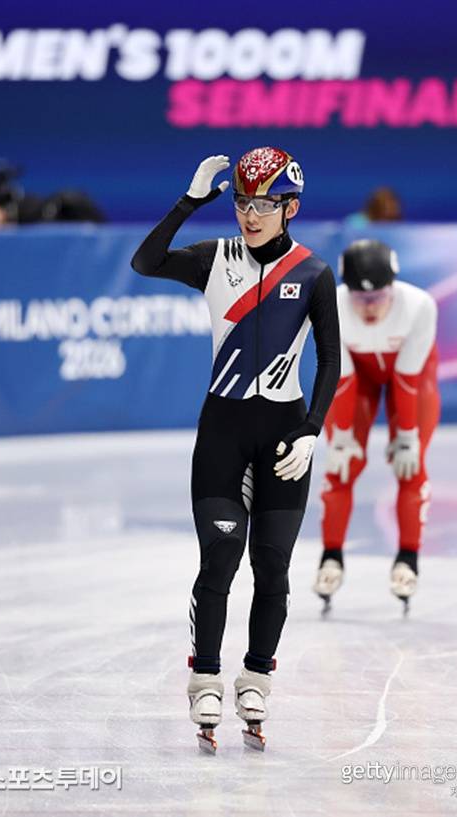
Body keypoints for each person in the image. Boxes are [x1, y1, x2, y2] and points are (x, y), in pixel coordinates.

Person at [131, 148, 340, 750]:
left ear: (289, 208)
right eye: (242, 203)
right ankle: (204, 677)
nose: (249, 216)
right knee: (220, 559)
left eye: (263, 206)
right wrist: (190, 201)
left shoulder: (313, 273)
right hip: (221, 431)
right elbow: (146, 263)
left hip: (283, 435)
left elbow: (331, 356)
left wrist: (312, 429)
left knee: (272, 563)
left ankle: (256, 675)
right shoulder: (213, 259)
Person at [314, 239, 439, 613]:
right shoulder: (331, 305)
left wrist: (407, 437)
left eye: (379, 297)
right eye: (360, 298)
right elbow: (344, 380)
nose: (369, 307)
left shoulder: (419, 306)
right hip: (357, 379)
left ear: (393, 287)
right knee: (341, 465)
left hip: (413, 379)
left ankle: (408, 558)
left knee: (411, 464)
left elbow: (406, 381)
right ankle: (331, 556)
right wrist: (341, 439)